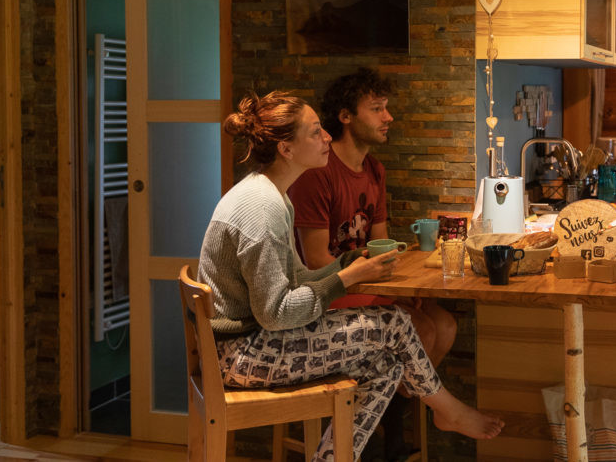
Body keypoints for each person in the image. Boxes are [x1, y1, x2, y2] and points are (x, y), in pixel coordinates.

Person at [198, 91, 503, 462]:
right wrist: (343, 281)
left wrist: (345, 265)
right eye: (315, 133)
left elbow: (296, 278)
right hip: (244, 355)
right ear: (286, 150)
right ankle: (447, 409)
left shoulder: (272, 195)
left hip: (253, 345)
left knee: (387, 366)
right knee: (394, 323)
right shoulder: (262, 209)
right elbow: (275, 313)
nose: (327, 137)